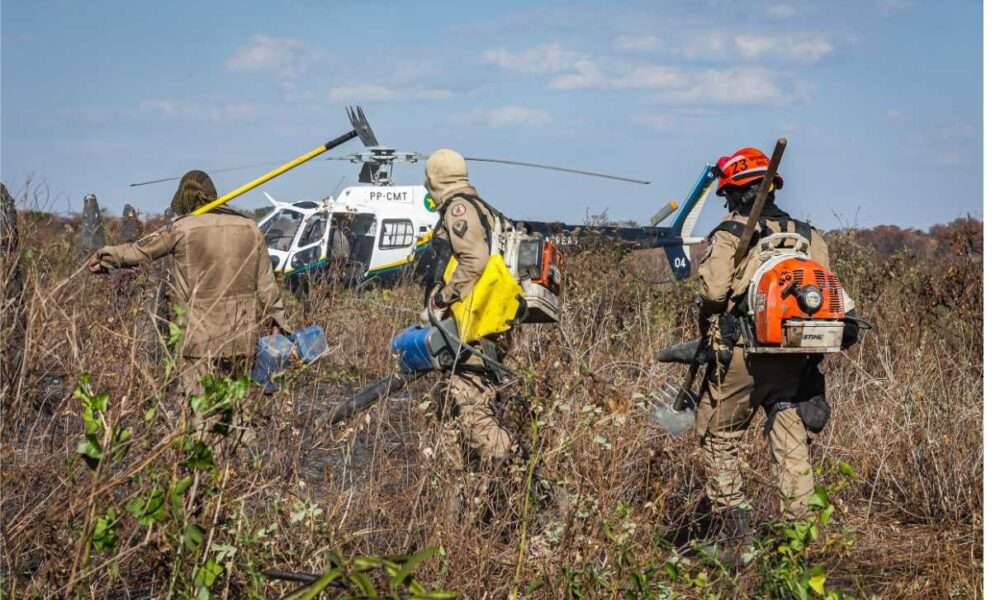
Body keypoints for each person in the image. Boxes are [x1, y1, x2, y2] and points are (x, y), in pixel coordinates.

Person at [695, 146, 833, 550]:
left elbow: (714, 294)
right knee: (790, 435)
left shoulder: (729, 234)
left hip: (742, 353)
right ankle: (800, 536)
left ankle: (735, 540)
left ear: (733, 192)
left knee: (720, 438)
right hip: (794, 356)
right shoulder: (809, 235)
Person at [89, 171, 288, 416]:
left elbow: (139, 252)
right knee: (238, 411)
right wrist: (279, 324)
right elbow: (267, 285)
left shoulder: (182, 228)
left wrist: (104, 257)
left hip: (199, 339)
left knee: (201, 413)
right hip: (241, 338)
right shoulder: (249, 228)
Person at [421, 148, 517, 518]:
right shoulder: (480, 207)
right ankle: (457, 514)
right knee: (449, 419)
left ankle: (525, 482)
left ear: (436, 177)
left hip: (473, 332)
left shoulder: (458, 208)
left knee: (474, 416)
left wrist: (442, 299)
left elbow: (474, 259)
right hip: (478, 329)